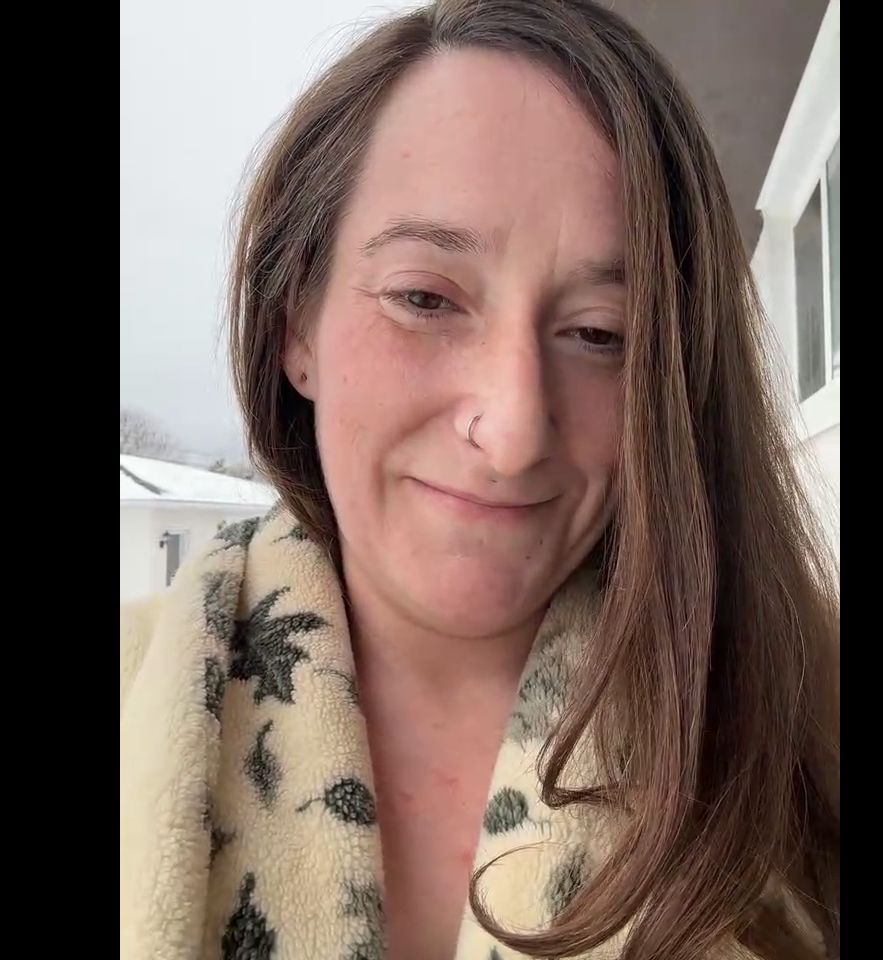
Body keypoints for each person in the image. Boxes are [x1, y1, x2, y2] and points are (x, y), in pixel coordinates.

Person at [119, 2, 840, 958]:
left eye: (600, 334)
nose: (512, 431)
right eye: (425, 299)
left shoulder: (814, 725)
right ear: (298, 326)